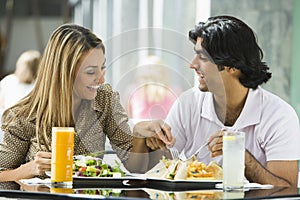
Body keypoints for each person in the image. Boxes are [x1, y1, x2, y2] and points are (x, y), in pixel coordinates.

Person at [0, 24, 173, 181]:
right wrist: (29, 169)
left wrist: (138, 133)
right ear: (64, 73)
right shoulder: (23, 115)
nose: (101, 79)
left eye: (102, 67)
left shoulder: (104, 100)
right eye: (91, 72)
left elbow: (134, 166)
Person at [143, 15, 300, 187]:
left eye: (202, 58)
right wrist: (147, 139)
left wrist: (242, 157)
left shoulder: (279, 116)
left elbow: (287, 190)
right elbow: (161, 166)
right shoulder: (188, 104)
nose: (193, 64)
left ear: (232, 66)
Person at [127, 55, 177, 119]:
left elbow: (128, 119)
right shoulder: (173, 93)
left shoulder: (133, 92)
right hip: (165, 128)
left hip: (140, 128)